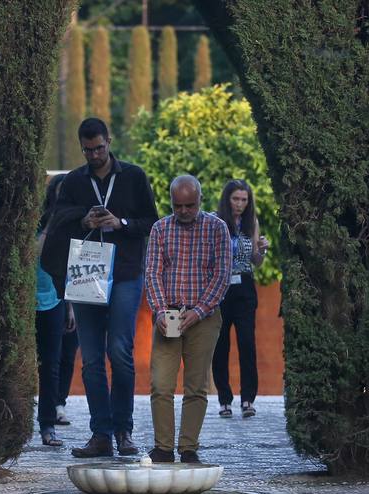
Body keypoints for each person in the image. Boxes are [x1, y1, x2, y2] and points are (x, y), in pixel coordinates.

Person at [40, 117, 160, 458]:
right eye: (88, 150)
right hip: (86, 271)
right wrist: (84, 219)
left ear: (109, 141)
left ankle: (124, 431)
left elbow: (151, 221)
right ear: (82, 147)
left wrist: (119, 223)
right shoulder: (75, 181)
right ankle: (101, 434)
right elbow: (59, 218)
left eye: (100, 148)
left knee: (120, 352)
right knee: (91, 359)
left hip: (124, 272)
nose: (94, 155)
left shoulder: (133, 176)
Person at [144, 175, 232, 464]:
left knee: (197, 385)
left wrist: (199, 311)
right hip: (168, 313)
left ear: (200, 201)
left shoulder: (217, 228)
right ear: (171, 202)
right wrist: (158, 310)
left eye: (189, 205)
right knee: (161, 383)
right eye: (177, 205)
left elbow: (222, 275)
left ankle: (188, 447)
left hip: (204, 315)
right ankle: (164, 448)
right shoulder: (160, 228)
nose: (183, 211)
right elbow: (153, 273)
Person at [212, 179, 269, 419]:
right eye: (236, 199)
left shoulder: (251, 221)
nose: (240, 204)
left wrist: (262, 249)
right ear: (227, 199)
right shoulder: (215, 221)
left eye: (244, 200)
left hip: (244, 286)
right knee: (220, 345)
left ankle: (248, 399)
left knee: (247, 344)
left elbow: (255, 261)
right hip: (221, 287)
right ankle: (224, 400)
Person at [35, 174, 74, 446]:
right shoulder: (37, 223)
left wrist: (70, 306)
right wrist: (51, 224)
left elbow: (74, 268)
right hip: (26, 299)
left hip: (55, 299)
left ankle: (47, 424)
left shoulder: (72, 226)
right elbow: (33, 253)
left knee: (51, 364)